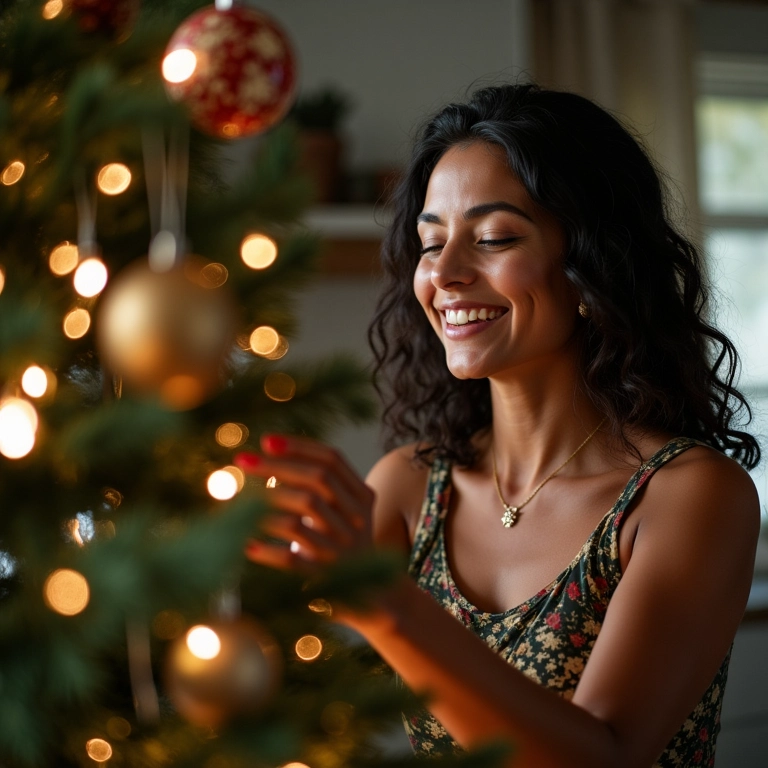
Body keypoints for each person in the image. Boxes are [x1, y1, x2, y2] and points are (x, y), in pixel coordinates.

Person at [236, 84, 762, 768]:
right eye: (430, 243)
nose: (446, 274)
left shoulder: (688, 495)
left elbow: (603, 757)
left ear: (591, 263)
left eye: (493, 238)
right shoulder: (407, 485)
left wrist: (387, 604)